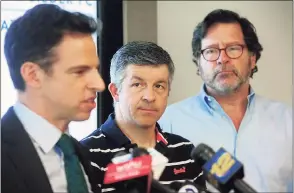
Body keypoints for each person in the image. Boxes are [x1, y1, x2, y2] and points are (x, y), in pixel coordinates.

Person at [158, 9, 292, 192]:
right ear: (198, 62)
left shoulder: (287, 121)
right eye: (211, 51)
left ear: (252, 59)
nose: (223, 59)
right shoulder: (168, 122)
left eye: (234, 48)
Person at [1, 4, 105, 193]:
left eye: (95, 70)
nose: (99, 84)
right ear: (33, 75)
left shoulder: (77, 153)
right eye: (79, 71)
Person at [80, 41, 206, 193]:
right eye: (138, 85)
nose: (150, 97)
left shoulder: (185, 151)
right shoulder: (87, 155)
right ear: (115, 91)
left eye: (159, 86)